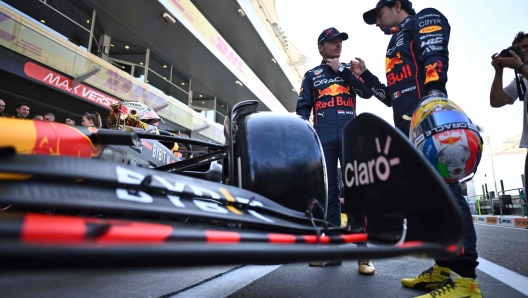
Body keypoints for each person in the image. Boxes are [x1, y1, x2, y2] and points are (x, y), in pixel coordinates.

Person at [352, 1, 482, 297]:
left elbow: (434, 53)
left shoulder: (422, 19)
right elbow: (390, 95)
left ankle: (465, 280)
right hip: (407, 129)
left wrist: (434, 96)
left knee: (447, 194)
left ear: (397, 5)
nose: (377, 23)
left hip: (430, 122)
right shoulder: (394, 42)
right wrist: (366, 76)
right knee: (427, 199)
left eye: (379, 15)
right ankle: (444, 268)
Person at [296, 27, 375, 274]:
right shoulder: (311, 75)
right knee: (329, 193)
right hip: (324, 137)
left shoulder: (350, 71)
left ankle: (363, 255)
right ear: (321, 47)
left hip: (351, 136)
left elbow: (367, 93)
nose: (338, 45)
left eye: (340, 41)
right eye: (332, 42)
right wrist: (303, 139)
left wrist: (342, 70)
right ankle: (333, 251)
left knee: (356, 191)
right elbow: (302, 110)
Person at [490, 31, 528, 201]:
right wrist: (499, 72)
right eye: (519, 49)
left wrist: (519, 66)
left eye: (526, 47)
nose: (523, 51)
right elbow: (497, 101)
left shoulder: (523, 71)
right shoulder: (521, 78)